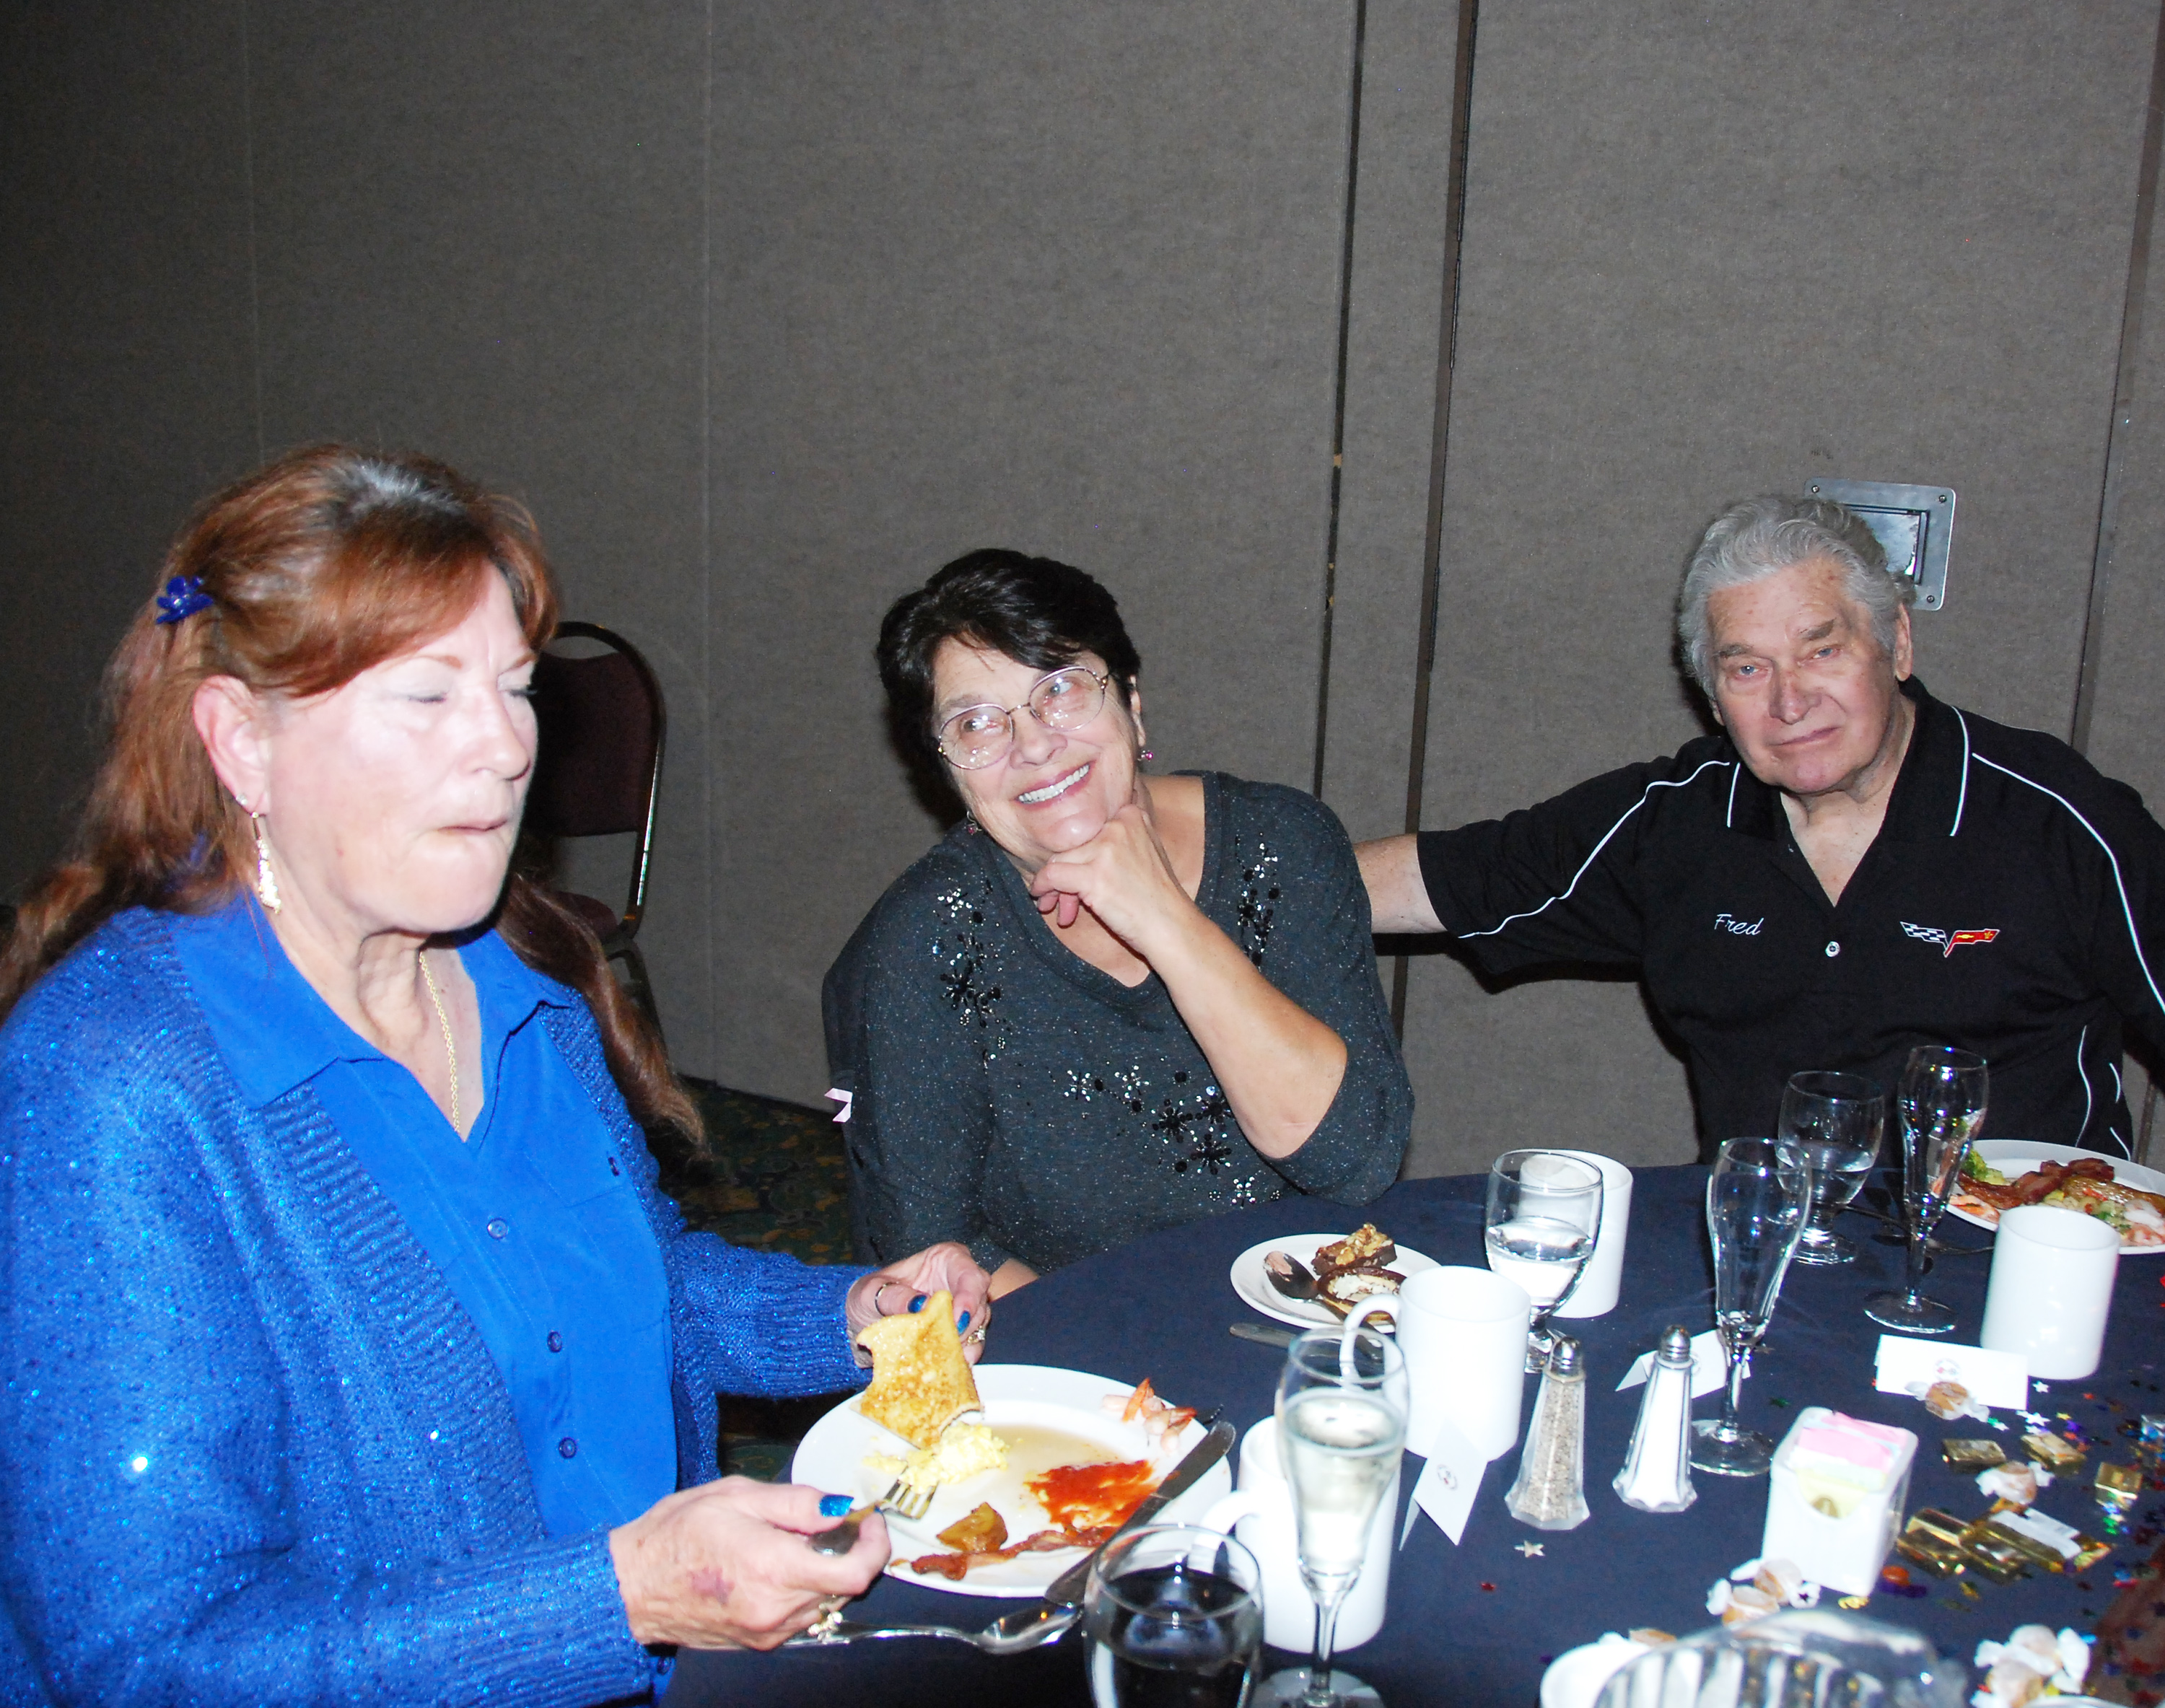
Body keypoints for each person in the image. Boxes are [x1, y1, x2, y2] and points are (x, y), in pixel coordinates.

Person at [0, 446, 990, 1704]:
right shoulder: (116, 1090)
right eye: (428, 697)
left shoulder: (520, 981)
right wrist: (614, 1599)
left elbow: (617, 1281)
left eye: (517, 689)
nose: (507, 746)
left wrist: (847, 1318)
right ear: (242, 741)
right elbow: (148, 1660)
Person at [1359, 494, 2165, 1158]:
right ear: (1712, 698)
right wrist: (1236, 860)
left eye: (1822, 652)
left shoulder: (2057, 822)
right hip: (1765, 1264)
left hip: (2022, 1284)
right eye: (1748, 668)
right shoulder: (1677, 822)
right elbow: (1435, 881)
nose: (1789, 701)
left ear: (1898, 646)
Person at [825, 549, 1412, 1295]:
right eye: (977, 724)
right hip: (1072, 1354)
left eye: (1062, 690)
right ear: (946, 768)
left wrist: (1166, 919)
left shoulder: (1283, 845)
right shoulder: (930, 935)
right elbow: (932, 1246)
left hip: (1300, 1320)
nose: (1034, 745)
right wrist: (1115, 1389)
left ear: (1131, 701)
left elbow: (1353, 1160)